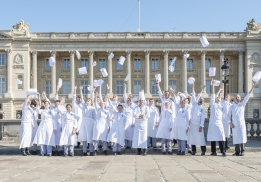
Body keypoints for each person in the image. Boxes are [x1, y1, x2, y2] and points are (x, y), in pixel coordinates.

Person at [227, 82, 259, 156]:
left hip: (241, 123)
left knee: (242, 137)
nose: (237, 98)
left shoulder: (242, 104)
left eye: (238, 97)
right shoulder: (231, 107)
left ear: (240, 99)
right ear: (234, 99)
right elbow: (228, 116)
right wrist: (230, 123)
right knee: (236, 138)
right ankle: (237, 151)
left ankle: (242, 150)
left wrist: (253, 87)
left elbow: (248, 96)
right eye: (236, 97)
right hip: (234, 124)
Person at [207, 79, 226, 156]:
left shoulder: (222, 106)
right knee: (213, 138)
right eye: (217, 98)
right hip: (212, 122)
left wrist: (220, 91)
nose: (218, 98)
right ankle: (213, 151)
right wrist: (213, 85)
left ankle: (223, 151)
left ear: (221, 100)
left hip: (219, 122)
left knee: (221, 137)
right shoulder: (213, 104)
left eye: (219, 98)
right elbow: (213, 94)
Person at [187, 84, 206, 155]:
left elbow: (202, 118)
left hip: (198, 124)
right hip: (192, 124)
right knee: (192, 138)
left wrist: (201, 126)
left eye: (202, 100)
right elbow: (195, 95)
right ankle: (193, 150)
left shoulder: (202, 109)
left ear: (203, 102)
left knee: (201, 138)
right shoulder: (194, 104)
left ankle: (203, 150)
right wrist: (193, 87)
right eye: (200, 99)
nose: (201, 100)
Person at [93, 85, 110, 155]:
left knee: (104, 139)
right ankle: (95, 150)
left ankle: (105, 149)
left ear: (105, 105)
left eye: (103, 104)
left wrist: (109, 127)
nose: (102, 105)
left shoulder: (107, 111)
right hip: (98, 124)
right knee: (97, 138)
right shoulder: (98, 109)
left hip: (104, 126)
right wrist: (95, 96)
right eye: (101, 104)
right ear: (100, 105)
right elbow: (94, 102)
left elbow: (108, 120)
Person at [132, 90, 150, 156]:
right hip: (137, 124)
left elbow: (148, 115)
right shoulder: (136, 107)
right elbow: (134, 114)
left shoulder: (146, 107)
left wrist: (142, 116)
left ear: (144, 101)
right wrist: (139, 115)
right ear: (138, 101)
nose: (141, 102)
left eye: (142, 100)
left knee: (144, 137)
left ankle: (144, 150)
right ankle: (138, 149)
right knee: (137, 137)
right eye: (140, 101)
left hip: (144, 124)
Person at [81, 88, 96, 156]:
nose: (87, 101)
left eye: (89, 100)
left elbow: (94, 117)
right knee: (84, 137)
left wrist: (93, 91)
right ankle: (84, 151)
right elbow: (82, 98)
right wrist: (81, 90)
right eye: (87, 100)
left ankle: (91, 151)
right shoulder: (84, 106)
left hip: (90, 122)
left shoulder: (93, 108)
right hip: (84, 122)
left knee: (90, 137)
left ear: (91, 102)